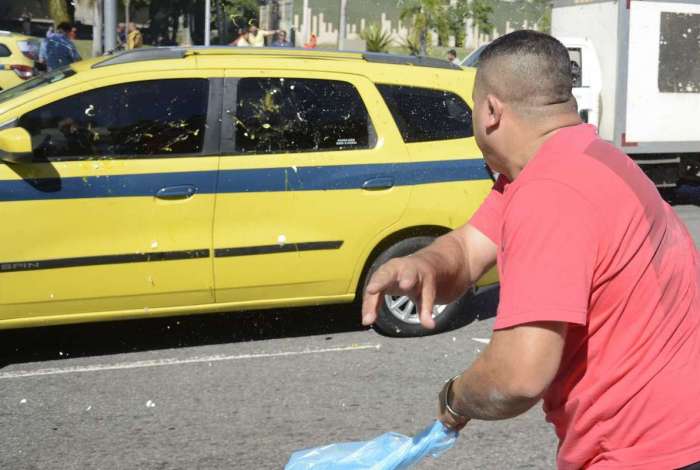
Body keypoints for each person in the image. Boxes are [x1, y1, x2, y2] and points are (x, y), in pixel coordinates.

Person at [362, 30, 700, 469]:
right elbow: (468, 249)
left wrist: (455, 397)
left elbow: (519, 374)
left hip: (648, 454)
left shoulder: (550, 191)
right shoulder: (579, 158)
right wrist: (422, 263)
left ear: (490, 111)